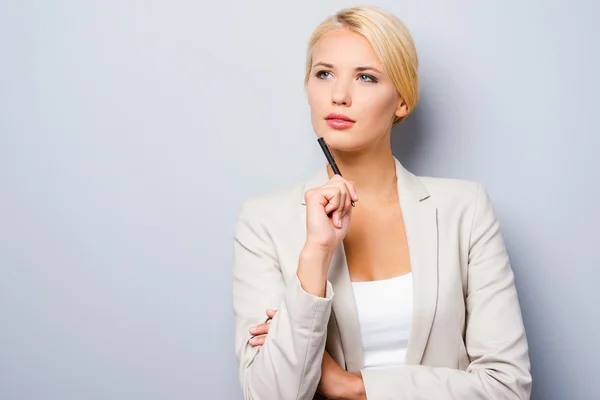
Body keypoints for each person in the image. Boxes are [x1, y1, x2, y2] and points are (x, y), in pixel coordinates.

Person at [232, 6, 531, 400]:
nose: (339, 95)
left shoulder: (465, 209)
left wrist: (353, 387)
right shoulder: (263, 221)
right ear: (307, 87)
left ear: (402, 101)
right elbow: (270, 395)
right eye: (324, 74)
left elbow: (506, 387)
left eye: (366, 77)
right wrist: (315, 254)